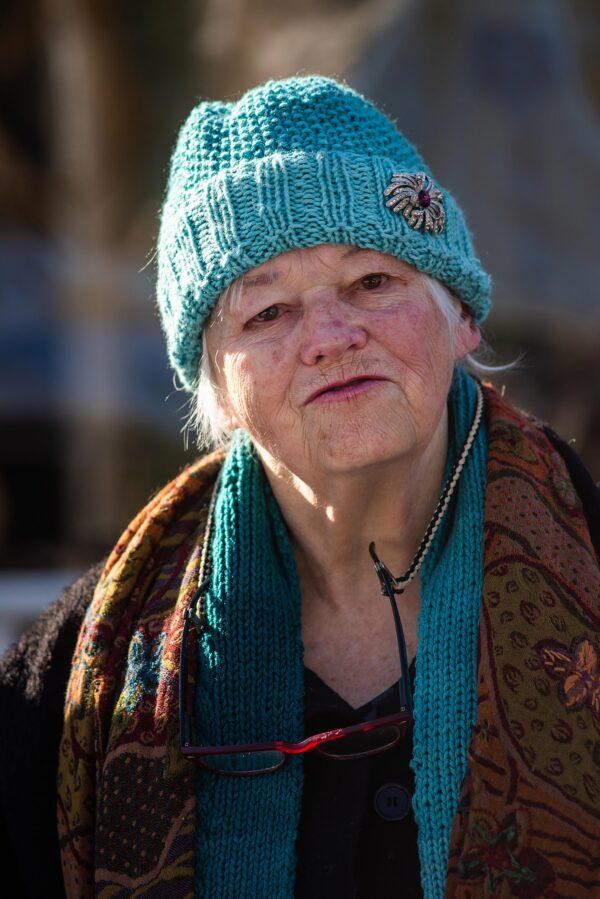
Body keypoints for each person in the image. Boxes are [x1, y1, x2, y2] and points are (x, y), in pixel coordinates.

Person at [1, 75, 599, 899]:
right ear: (217, 385)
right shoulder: (83, 674)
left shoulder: (588, 562)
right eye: (267, 313)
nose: (329, 336)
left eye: (371, 283)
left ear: (461, 315)